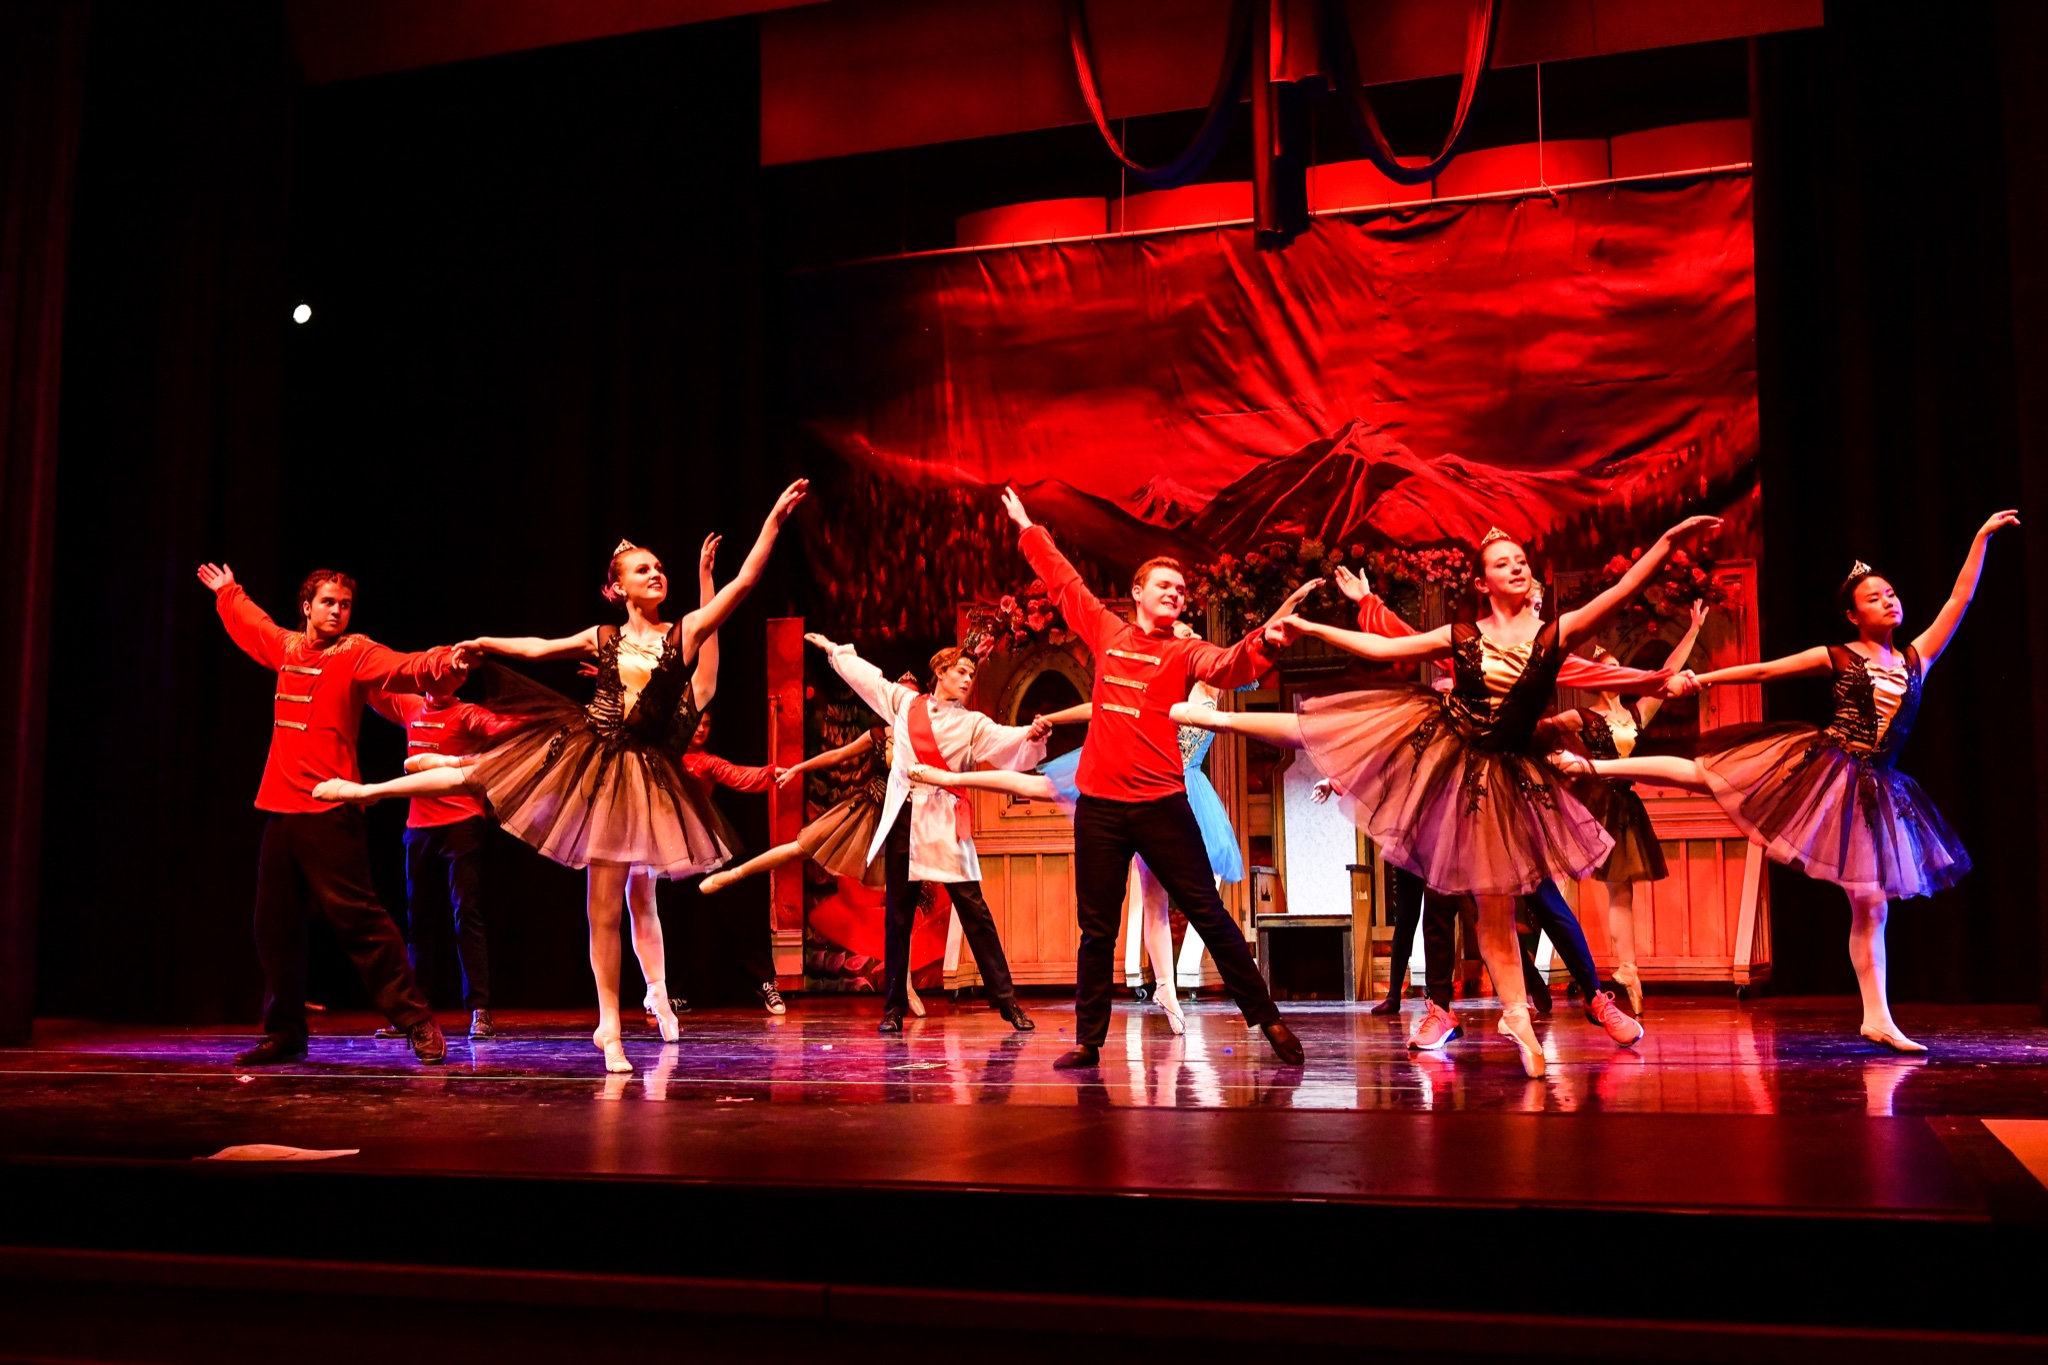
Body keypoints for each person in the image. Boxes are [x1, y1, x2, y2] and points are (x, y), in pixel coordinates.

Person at [1174, 517, 1719, 1076]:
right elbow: (1389, 644)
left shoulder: (1556, 636)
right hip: (1449, 752)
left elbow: (1619, 593)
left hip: (1508, 774)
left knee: (1505, 905)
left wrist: (1667, 545)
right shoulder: (1462, 638)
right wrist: (1316, 630)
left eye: (1521, 561)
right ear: (1483, 582)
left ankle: (1526, 1015)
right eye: (1502, 562)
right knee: (1330, 732)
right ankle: (1215, 718)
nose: (1517, 566)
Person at [311, 479, 809, 1074]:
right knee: (487, 779)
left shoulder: (686, 633)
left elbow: (744, 584)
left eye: (658, 568)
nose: (655, 575)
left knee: (619, 897)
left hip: (641, 773)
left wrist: (774, 520)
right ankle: (609, 1021)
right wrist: (481, 641)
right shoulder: (601, 637)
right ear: (615, 588)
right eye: (641, 570)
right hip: (592, 754)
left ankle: (622, 1016)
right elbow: (536, 647)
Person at [1552, 512, 2016, 1052]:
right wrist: (1701, 678)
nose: (1888, 601)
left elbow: (1957, 602)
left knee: (1872, 903)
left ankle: (1877, 1018)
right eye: (1874, 598)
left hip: (1878, 790)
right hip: (1827, 768)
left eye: (1890, 593)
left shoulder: (1918, 657)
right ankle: (1594, 767)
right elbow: (1766, 670)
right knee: (1707, 777)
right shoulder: (1838, 656)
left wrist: (1979, 539)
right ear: (1852, 616)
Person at [1002, 486, 1303, 1070]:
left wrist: (1266, 640)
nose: (1175, 593)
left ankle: (1267, 1019)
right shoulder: (1108, 633)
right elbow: (1065, 584)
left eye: (1182, 589)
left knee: (1211, 914)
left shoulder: (1184, 653)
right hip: (1101, 808)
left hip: (1163, 804)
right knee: (1097, 927)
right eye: (1164, 585)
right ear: (1137, 593)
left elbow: (1228, 666)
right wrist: (1027, 528)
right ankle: (1089, 1040)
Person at [1321, 564, 1655, 1049]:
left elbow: (1600, 673)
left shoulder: (1547, 651)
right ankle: (1439, 1010)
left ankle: (1596, 995)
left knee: (1543, 895)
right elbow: (1408, 640)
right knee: (1438, 897)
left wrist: (1662, 682)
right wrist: (1367, 605)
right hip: (1465, 784)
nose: (1536, 613)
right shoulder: (1479, 648)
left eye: (1541, 606)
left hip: (1514, 785)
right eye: (1532, 603)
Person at [198, 563, 472, 1067]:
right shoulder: (287, 649)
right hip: (280, 810)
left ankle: (415, 1020)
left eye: (344, 604)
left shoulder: (355, 652)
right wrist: (227, 591)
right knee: (273, 926)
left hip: (329, 806)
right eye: (328, 602)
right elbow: (252, 624)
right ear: (307, 607)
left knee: (359, 920)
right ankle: (285, 1034)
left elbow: (401, 666)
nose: (337, 611)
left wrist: (442, 662)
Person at [804, 633, 1051, 1033]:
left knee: (975, 912)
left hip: (946, 821)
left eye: (972, 673)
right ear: (940, 672)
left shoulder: (972, 723)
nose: (969, 679)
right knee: (897, 916)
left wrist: (1031, 735)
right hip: (905, 817)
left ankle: (1007, 1002)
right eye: (961, 672)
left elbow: (1007, 742)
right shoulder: (906, 705)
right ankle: (893, 1008)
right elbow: (870, 681)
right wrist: (836, 652)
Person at [1541, 600, 1710, 1013]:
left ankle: (1628, 971)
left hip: (1621, 806)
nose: (1618, 675)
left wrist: (1692, 631)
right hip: (1588, 803)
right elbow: (1539, 730)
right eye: (1611, 670)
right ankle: (1531, 973)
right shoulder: (1583, 716)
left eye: (1621, 669)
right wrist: (1549, 762)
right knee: (1554, 882)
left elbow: (1665, 676)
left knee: (1622, 891)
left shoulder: (1636, 713)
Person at [365, 676, 525, 1040]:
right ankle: (413, 1015)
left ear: (457, 680)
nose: (439, 682)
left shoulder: (466, 714)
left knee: (466, 913)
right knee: (418, 921)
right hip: (419, 828)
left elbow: (507, 729)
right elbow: (369, 688)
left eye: (447, 676)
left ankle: (480, 1011)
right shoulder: (410, 707)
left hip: (460, 824)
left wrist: (466, 759)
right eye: (431, 675)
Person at [678, 710, 790, 1014]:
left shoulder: (706, 762)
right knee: (680, 921)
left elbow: (739, 775)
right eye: (696, 723)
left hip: (703, 847)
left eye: (707, 723)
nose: (702, 729)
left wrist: (771, 773)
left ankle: (764, 982)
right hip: (666, 850)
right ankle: (675, 992)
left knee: (735, 913)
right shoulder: (662, 754)